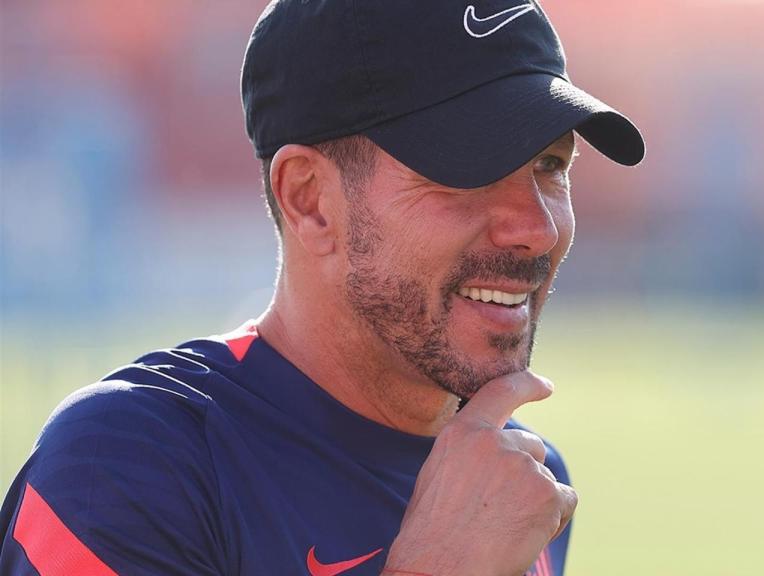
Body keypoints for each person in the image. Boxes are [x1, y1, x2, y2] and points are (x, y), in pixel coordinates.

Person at [0, 1, 644, 574]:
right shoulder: (132, 465)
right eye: (471, 171)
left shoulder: (519, 481)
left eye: (551, 165)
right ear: (310, 201)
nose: (535, 227)